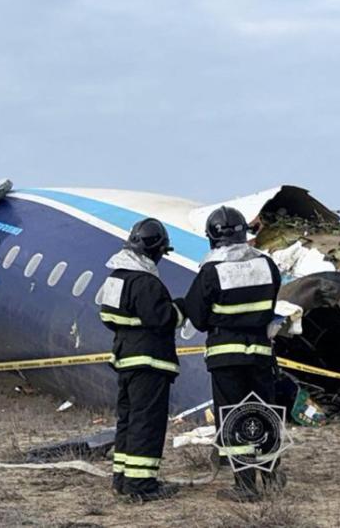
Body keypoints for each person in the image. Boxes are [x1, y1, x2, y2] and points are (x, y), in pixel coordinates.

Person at [181, 206, 284, 502]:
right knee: (264, 412)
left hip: (227, 356)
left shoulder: (212, 271)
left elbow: (197, 317)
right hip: (261, 354)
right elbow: (270, 304)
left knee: (234, 417)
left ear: (213, 237)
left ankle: (246, 486)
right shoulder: (267, 265)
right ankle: (272, 473)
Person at [100, 218, 183, 503]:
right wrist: (181, 309)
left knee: (128, 419)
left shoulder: (116, 278)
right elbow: (163, 319)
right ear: (156, 250)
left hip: (125, 359)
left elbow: (107, 317)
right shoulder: (146, 282)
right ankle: (142, 485)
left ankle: (122, 479)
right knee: (147, 422)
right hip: (149, 362)